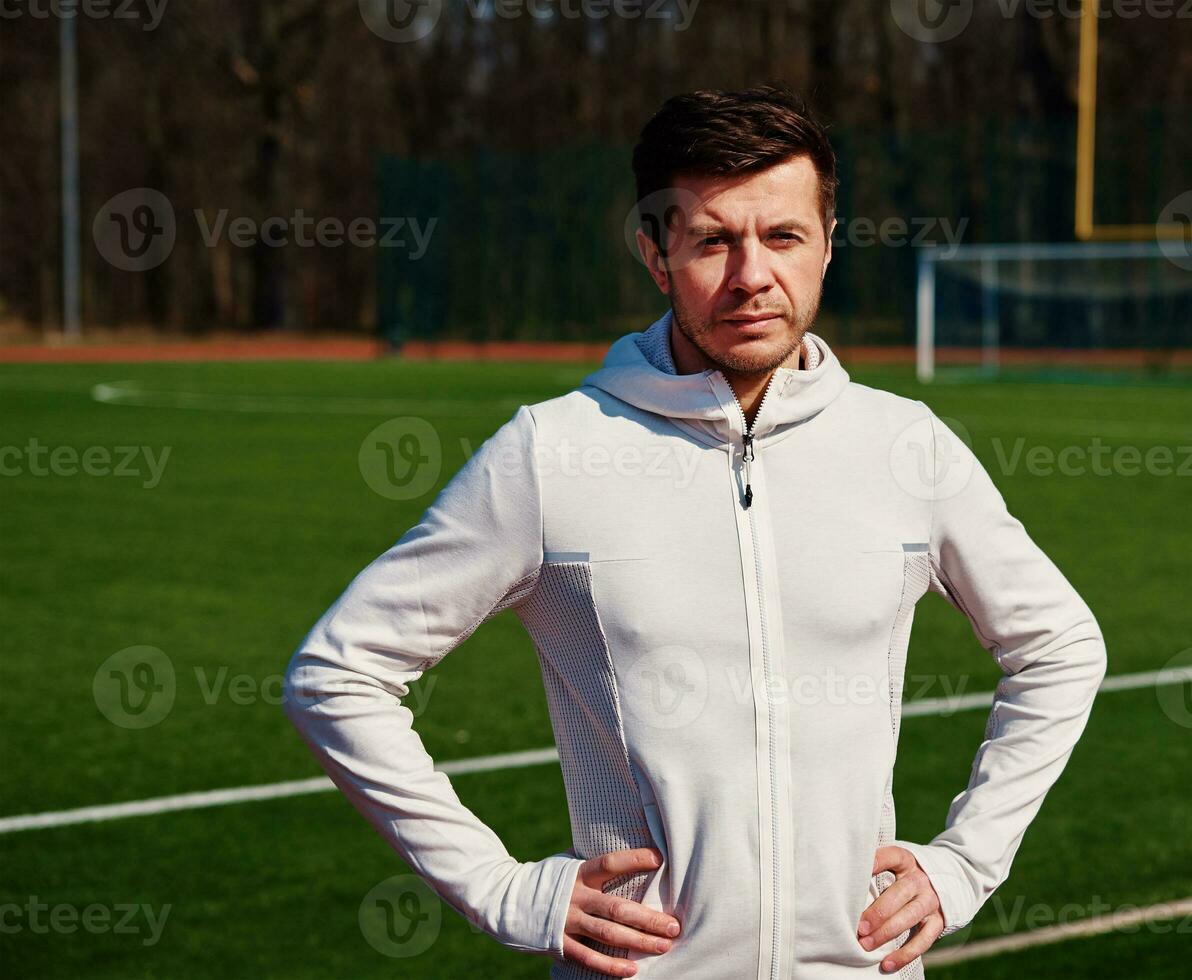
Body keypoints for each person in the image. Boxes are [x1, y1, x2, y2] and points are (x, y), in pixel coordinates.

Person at [284, 85, 1106, 979]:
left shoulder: (907, 447)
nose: (753, 274)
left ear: (829, 244)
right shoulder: (555, 451)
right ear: (655, 253)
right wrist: (503, 889)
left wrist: (965, 864)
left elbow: (1060, 646)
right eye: (714, 240)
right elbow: (339, 674)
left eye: (784, 236)